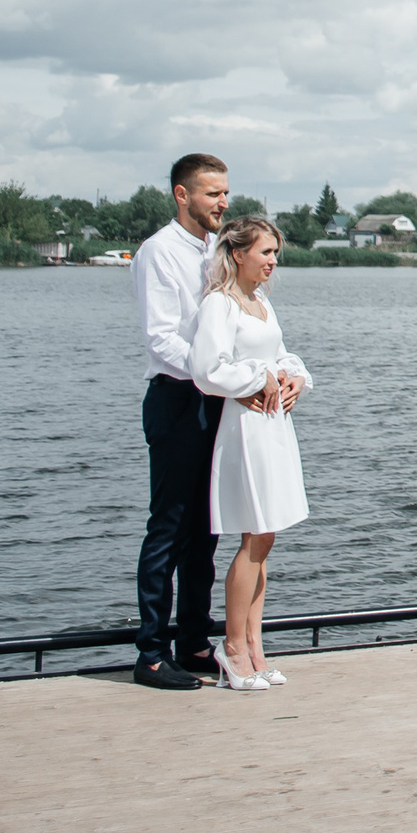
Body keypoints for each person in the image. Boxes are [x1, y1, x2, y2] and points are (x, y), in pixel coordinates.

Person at [131, 151, 241, 690]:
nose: (223, 202)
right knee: (169, 529)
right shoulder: (158, 252)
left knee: (207, 531)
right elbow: (161, 338)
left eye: (225, 193)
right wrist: (212, 374)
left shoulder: (217, 251)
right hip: (176, 399)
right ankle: (150, 654)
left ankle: (194, 642)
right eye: (213, 193)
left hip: (214, 399)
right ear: (182, 195)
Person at [188, 215, 313, 691]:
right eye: (265, 252)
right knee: (255, 535)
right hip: (245, 427)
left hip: (274, 425)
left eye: (275, 253)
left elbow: (280, 353)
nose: (272, 261)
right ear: (238, 253)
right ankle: (232, 648)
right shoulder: (219, 305)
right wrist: (258, 379)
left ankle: (256, 647)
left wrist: (294, 375)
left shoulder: (260, 303)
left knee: (267, 538)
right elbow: (207, 370)